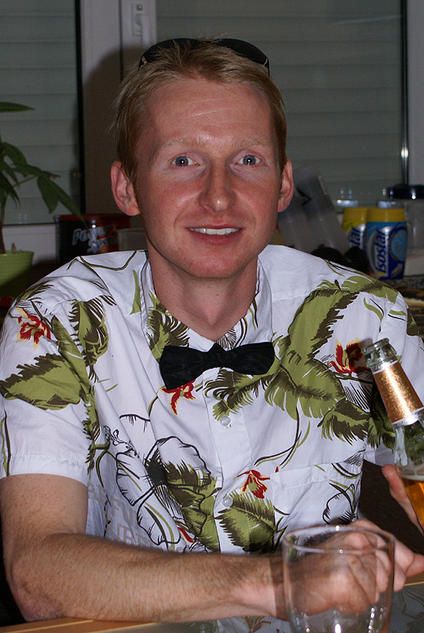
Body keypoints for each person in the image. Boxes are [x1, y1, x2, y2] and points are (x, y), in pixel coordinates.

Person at [0, 37, 423, 624]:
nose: (219, 196)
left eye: (247, 160)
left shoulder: (362, 317)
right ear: (127, 188)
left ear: (283, 184)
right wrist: (281, 581)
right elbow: (39, 573)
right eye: (183, 161)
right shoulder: (58, 323)